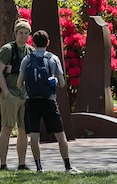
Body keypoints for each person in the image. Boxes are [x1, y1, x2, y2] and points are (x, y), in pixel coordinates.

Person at [17, 30, 82, 174]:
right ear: (48, 43)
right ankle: (67, 166)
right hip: (49, 101)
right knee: (60, 135)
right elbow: (62, 84)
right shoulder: (53, 59)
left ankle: (39, 167)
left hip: (31, 101)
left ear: (32, 43)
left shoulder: (27, 60)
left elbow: (18, 84)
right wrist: (53, 81)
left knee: (34, 135)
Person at [0, 19, 34, 170]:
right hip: (10, 94)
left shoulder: (30, 51)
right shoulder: (7, 49)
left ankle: (21, 164)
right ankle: (3, 165)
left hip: (25, 95)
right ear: (15, 33)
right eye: (21, 33)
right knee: (7, 128)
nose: (23, 36)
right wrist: (6, 92)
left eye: (26, 33)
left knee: (23, 130)